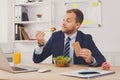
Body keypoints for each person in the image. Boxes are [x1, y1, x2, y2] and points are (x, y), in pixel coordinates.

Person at [33, 9, 106, 67]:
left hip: (77, 75)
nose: (63, 23)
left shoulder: (86, 39)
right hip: (58, 75)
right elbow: (37, 60)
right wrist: (40, 44)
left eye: (68, 21)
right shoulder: (55, 36)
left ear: (77, 25)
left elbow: (102, 60)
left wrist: (91, 60)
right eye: (63, 20)